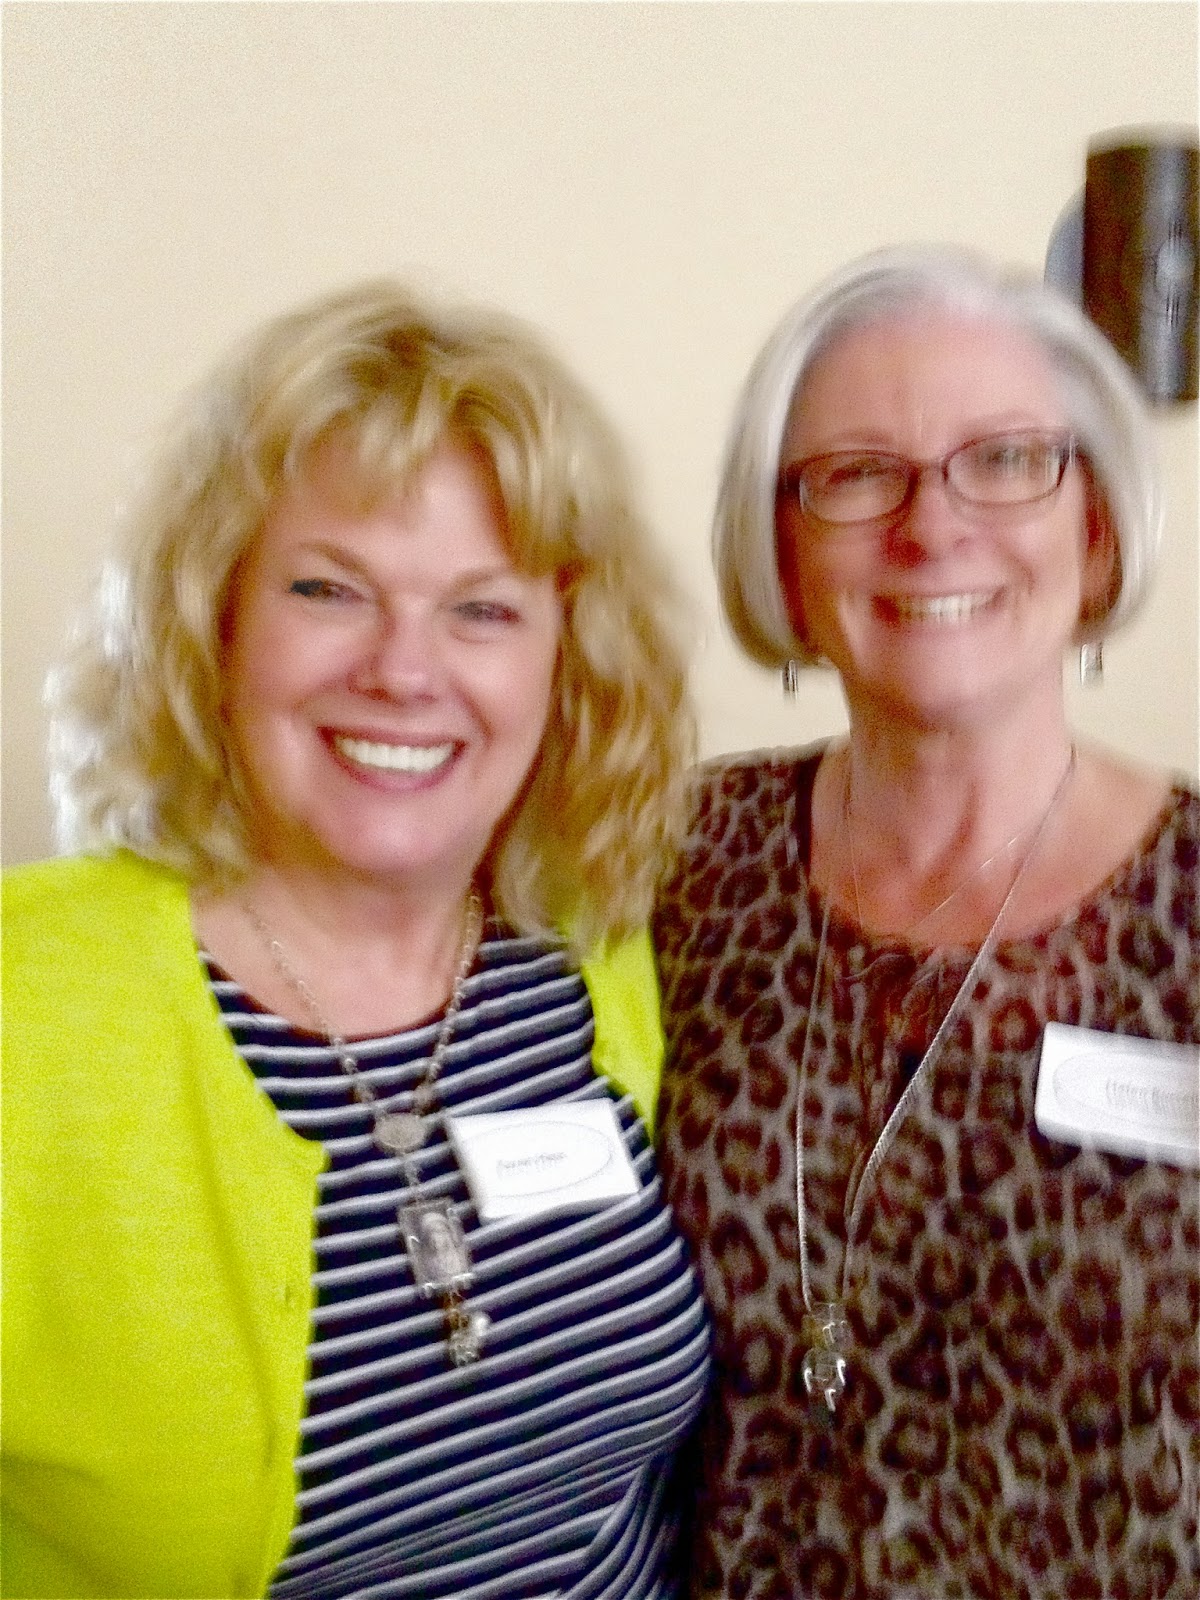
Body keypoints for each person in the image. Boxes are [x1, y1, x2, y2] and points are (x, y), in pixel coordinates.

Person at [2, 281, 711, 1599]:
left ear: (568, 658)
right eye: (329, 590)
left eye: (482, 609)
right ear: (213, 619)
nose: (402, 670)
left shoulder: (596, 956)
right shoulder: (25, 1007)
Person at [652, 245, 1199, 1599]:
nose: (932, 526)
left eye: (1006, 459)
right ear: (781, 547)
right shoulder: (667, 867)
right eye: (856, 475)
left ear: (1096, 526)